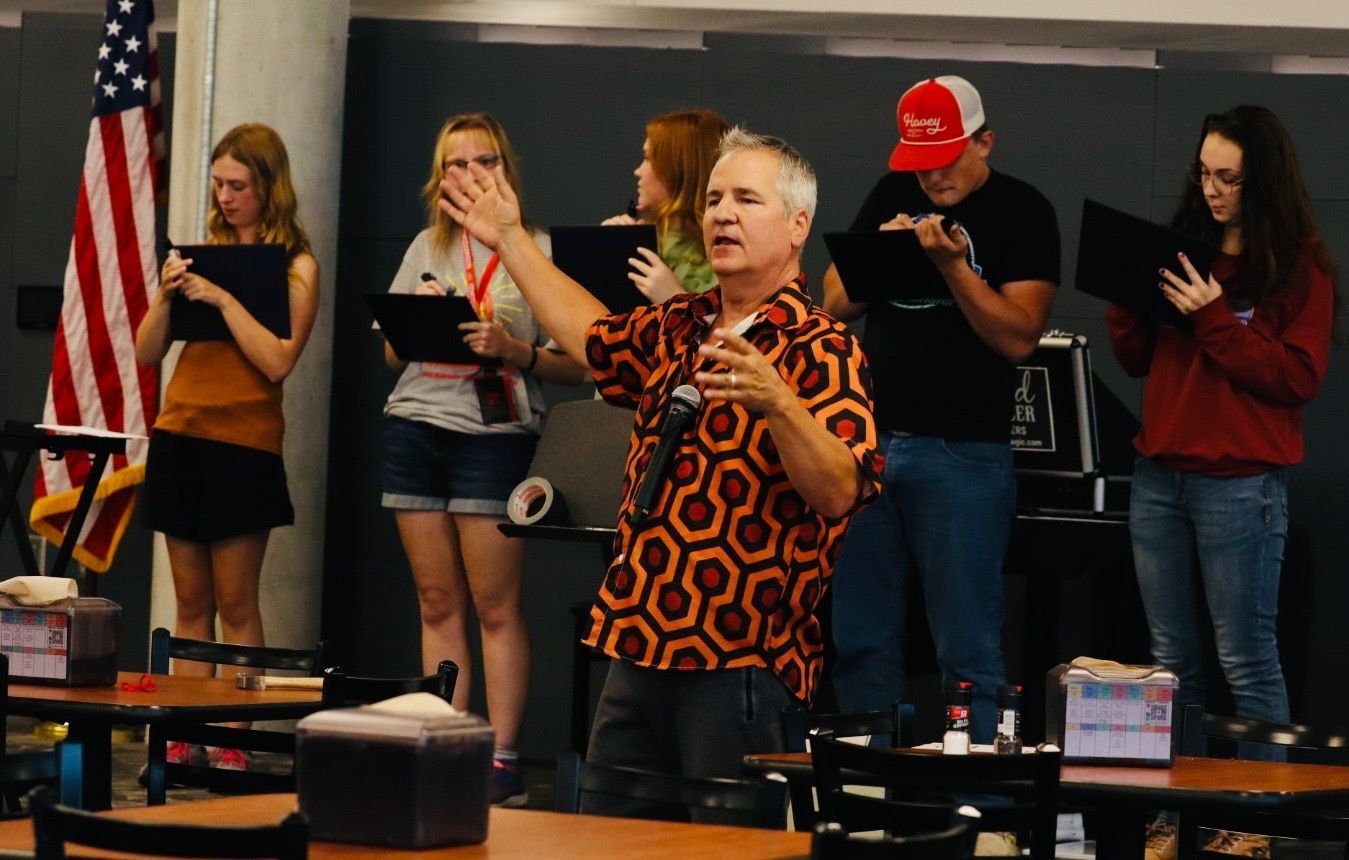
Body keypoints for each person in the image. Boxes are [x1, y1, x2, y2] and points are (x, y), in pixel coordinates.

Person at [441, 128, 881, 821]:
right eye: (711, 200)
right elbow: (591, 338)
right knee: (609, 842)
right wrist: (510, 239)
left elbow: (838, 491)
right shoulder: (683, 323)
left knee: (724, 848)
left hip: (737, 663)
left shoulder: (819, 347)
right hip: (637, 644)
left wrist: (777, 403)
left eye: (744, 199)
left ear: (797, 227)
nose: (721, 214)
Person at [824, 76, 1060, 742]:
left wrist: (955, 269)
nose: (930, 176)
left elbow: (1017, 337)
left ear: (983, 141)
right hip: (869, 447)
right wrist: (885, 254)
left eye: (946, 158)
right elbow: (835, 302)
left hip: (962, 452)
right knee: (861, 640)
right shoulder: (892, 190)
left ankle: (978, 814)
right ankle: (865, 799)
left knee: (966, 651)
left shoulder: (1021, 210)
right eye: (917, 161)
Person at [1107, 106, 1336, 746]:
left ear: (1262, 180)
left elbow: (1297, 378)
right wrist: (1127, 302)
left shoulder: (1299, 266)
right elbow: (1136, 361)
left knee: (1246, 659)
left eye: (1228, 178)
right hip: (1159, 478)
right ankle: (1175, 816)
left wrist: (1212, 317)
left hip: (1240, 487)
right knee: (1170, 664)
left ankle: (1255, 822)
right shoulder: (1182, 249)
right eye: (1204, 173)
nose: (1211, 189)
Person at [378, 113, 587, 807]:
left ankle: (500, 755)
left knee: (495, 604)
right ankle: (447, 744)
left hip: (494, 436)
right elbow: (389, 351)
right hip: (416, 422)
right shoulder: (424, 246)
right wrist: (427, 315)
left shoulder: (537, 249)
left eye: (482, 161)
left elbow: (575, 365)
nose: (467, 174)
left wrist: (512, 348)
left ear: (506, 168)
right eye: (454, 164)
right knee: (437, 602)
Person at [135, 123, 320, 771]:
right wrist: (167, 293)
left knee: (237, 601)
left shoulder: (295, 265)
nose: (226, 196)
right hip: (181, 434)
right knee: (189, 603)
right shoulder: (205, 252)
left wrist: (221, 296)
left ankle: (234, 733)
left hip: (244, 446)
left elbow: (276, 360)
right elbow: (147, 351)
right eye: (218, 184)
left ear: (269, 187)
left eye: (238, 185)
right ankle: (187, 727)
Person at [602, 109, 730, 301]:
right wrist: (607, 248)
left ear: (678, 169)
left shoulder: (731, 258)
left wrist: (675, 299)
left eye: (648, 158)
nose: (638, 171)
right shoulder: (646, 241)